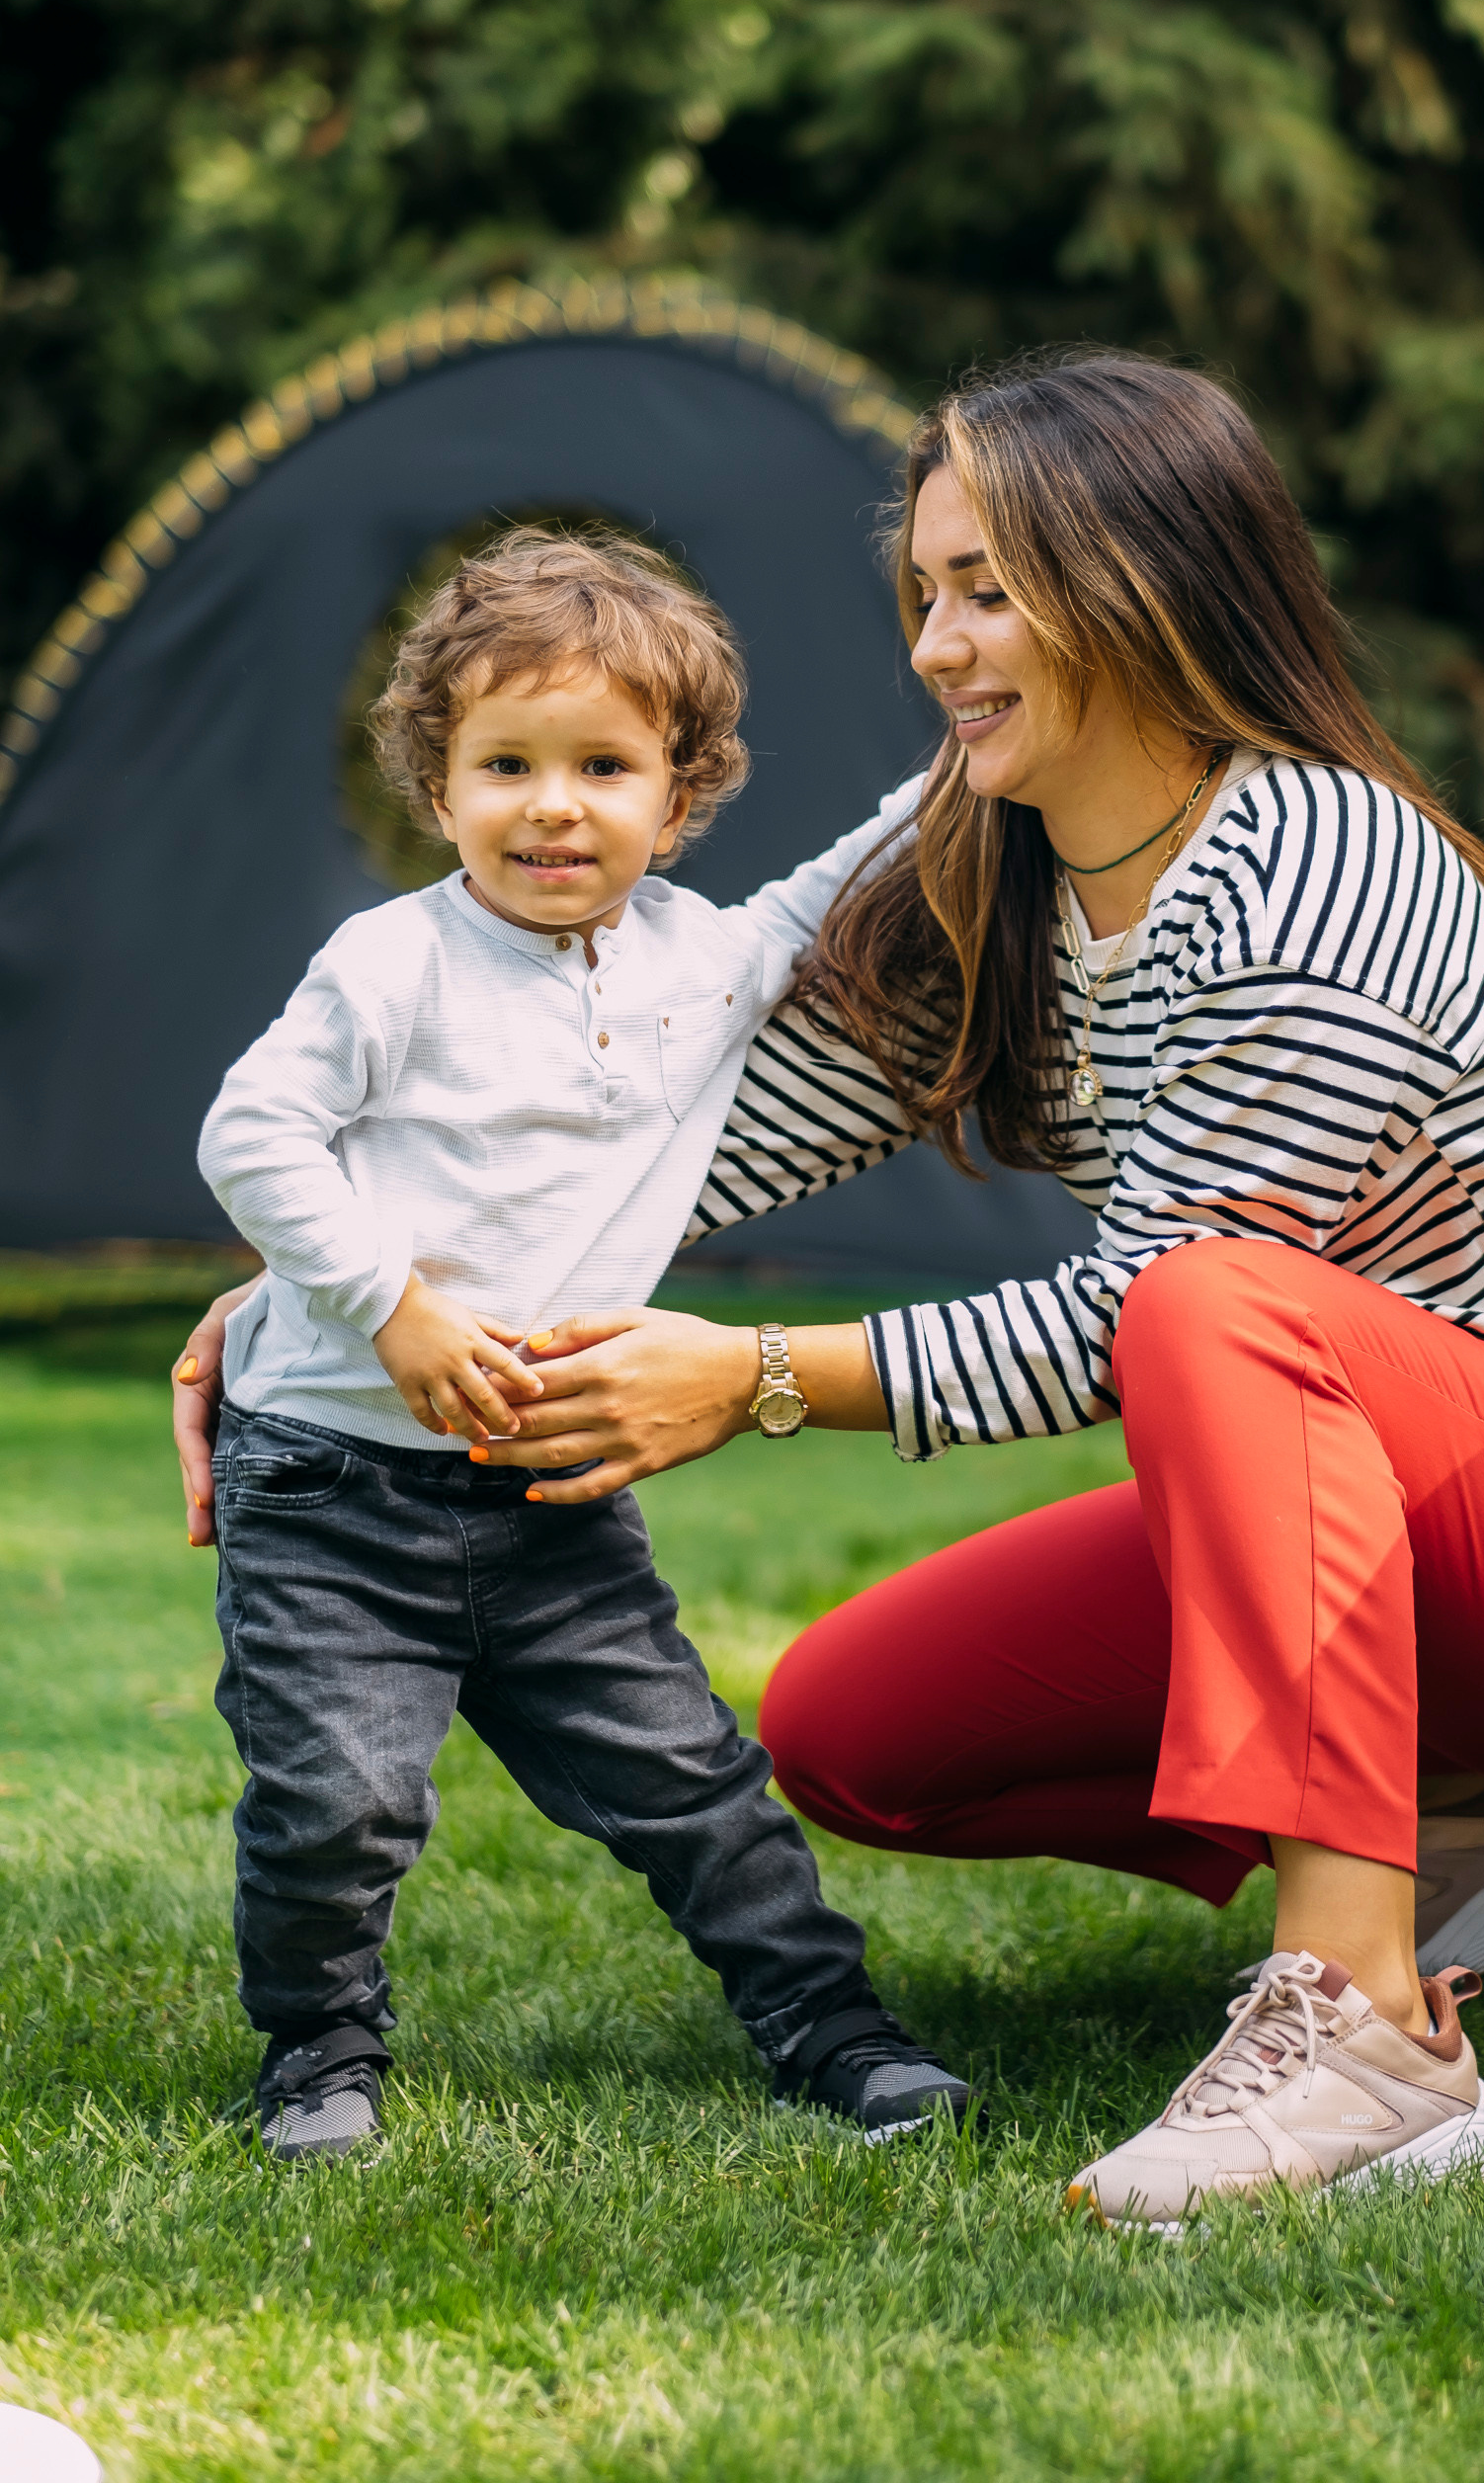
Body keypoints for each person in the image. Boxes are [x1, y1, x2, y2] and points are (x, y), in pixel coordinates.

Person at [176, 357, 1484, 2230]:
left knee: (1210, 1302)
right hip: (1381, 1513)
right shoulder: (996, 854)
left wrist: (757, 1376)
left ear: (1147, 580)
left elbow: (1152, 1307)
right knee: (858, 1731)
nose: (943, 646)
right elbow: (638, 1127)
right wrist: (339, 1299)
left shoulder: (1312, 869)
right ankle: (1461, 1833)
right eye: (928, 596)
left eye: (991, 589)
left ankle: (1366, 2024)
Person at [188, 526, 968, 2162]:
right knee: (337, 1805)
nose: (555, 804)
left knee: (695, 1784)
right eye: (507, 763)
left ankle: (835, 2030)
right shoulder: (393, 962)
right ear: (439, 781)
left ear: (678, 799)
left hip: (550, 1495)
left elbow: (856, 866)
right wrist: (389, 1302)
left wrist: (984, 735)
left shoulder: (711, 961)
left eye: (605, 764)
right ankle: (319, 2060)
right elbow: (254, 1137)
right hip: (331, 1486)